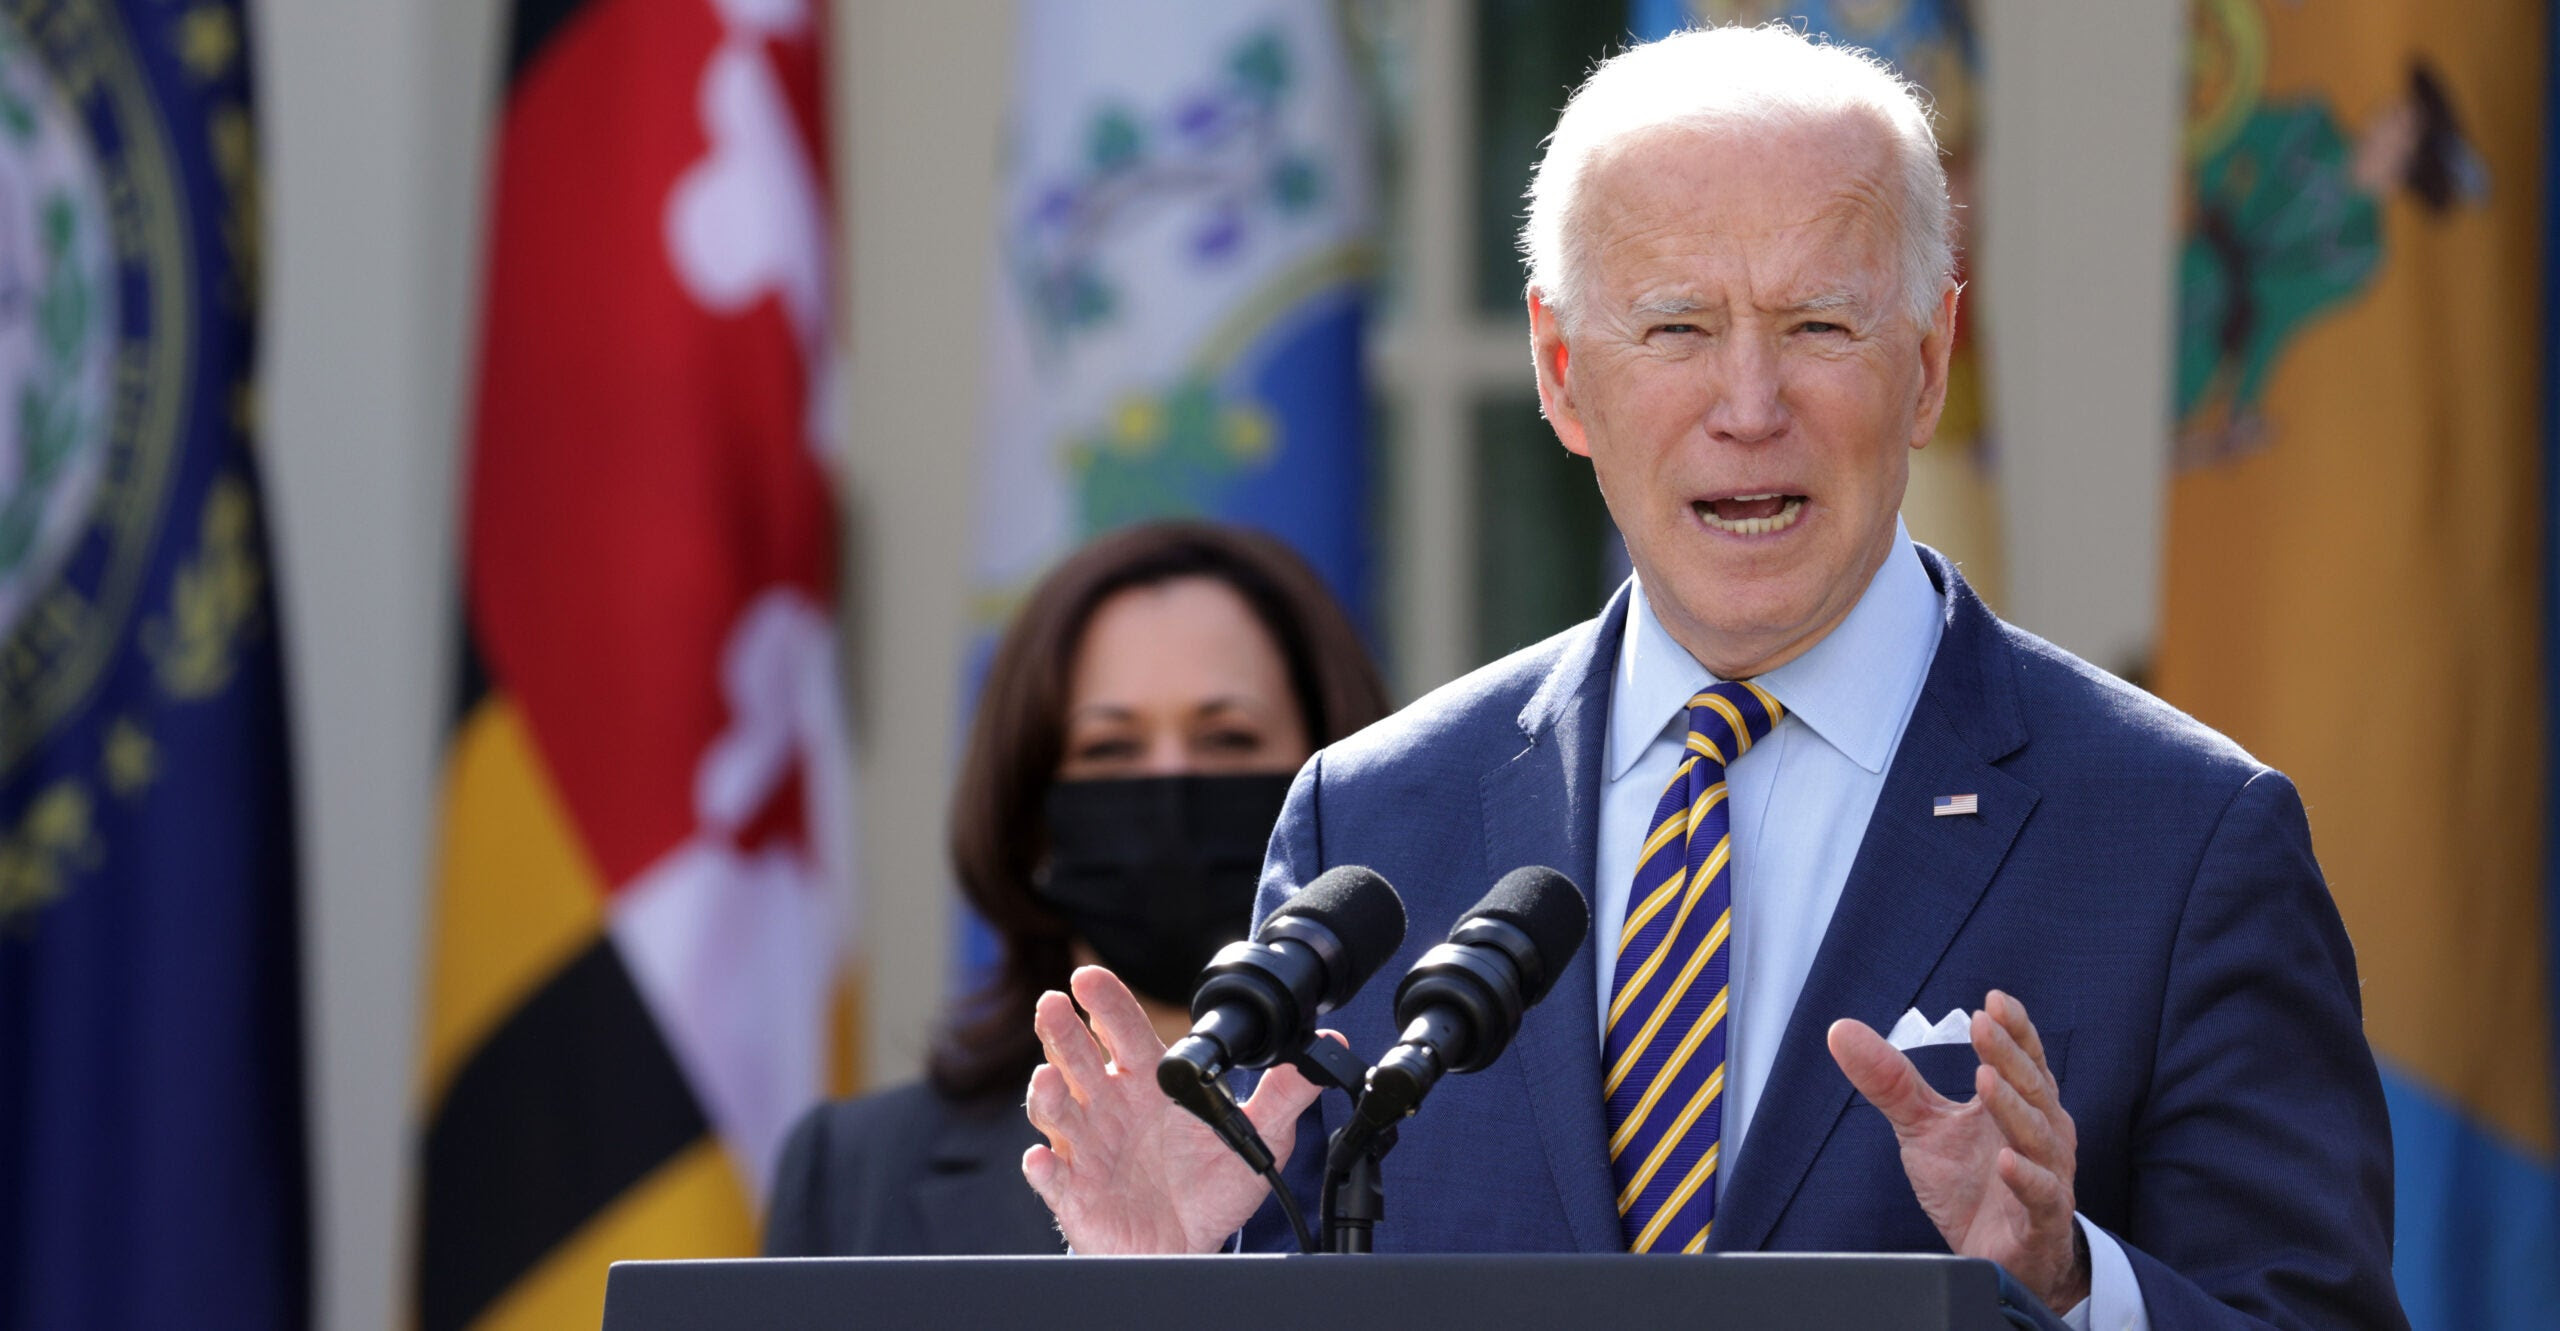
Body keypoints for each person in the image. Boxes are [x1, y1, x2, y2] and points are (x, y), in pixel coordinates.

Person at [1021, 25, 2404, 1329]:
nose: (1749, 405)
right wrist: (1164, 1289)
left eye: (1817, 325)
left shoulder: (2182, 836)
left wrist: (2066, 1275)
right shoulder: (1375, 819)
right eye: (1677, 328)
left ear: (1926, 365)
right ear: (1565, 374)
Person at [762, 521, 1389, 1256]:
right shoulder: (854, 1172)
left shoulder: (1450, 1146)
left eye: (1228, 738)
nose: (1167, 788)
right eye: (1110, 748)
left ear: (1334, 777)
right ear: (1031, 816)